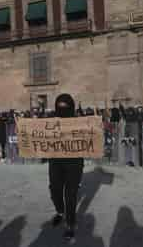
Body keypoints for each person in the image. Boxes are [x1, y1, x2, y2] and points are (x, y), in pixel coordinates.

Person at [49, 93, 84, 241]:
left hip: (74, 162)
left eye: (65, 107)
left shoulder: (79, 123)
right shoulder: (51, 122)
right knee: (55, 189)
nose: (62, 110)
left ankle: (70, 224)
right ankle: (60, 211)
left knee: (70, 195)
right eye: (59, 107)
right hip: (55, 161)